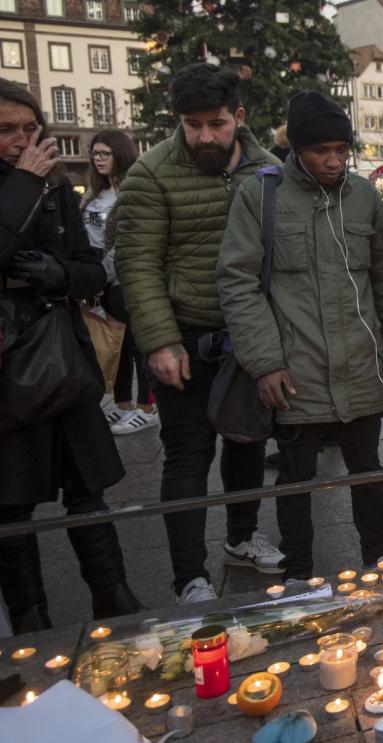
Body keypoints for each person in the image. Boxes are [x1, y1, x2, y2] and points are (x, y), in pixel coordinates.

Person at [217, 91, 383, 580]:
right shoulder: (261, 195)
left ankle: (380, 563)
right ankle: (299, 578)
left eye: (342, 150)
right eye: (322, 150)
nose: (334, 160)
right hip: (295, 370)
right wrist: (265, 362)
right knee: (296, 480)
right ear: (297, 149)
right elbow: (238, 282)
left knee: (368, 472)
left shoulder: (364, 195)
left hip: (361, 363)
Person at [115, 63, 283, 603]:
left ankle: (241, 537)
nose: (204, 136)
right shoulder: (151, 171)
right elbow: (137, 264)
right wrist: (160, 341)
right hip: (183, 336)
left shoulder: (269, 168)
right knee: (186, 456)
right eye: (192, 125)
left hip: (248, 336)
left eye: (214, 124)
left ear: (238, 116)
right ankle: (189, 575)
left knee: (246, 443)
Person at [0, 79, 142, 631]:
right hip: (12, 365)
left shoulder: (57, 188)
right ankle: (32, 620)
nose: (20, 140)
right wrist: (20, 181)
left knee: (89, 491)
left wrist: (61, 273)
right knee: (12, 506)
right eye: (6, 130)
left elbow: (88, 266)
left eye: (28, 129)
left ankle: (113, 594)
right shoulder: (28, 180)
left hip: (63, 355)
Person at [85, 130, 157, 435]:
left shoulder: (132, 191)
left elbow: (127, 242)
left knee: (141, 346)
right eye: (95, 153)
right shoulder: (93, 192)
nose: (98, 159)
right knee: (119, 345)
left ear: (121, 154)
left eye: (105, 154)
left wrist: (99, 276)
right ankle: (123, 405)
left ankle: (147, 408)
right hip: (100, 282)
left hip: (124, 279)